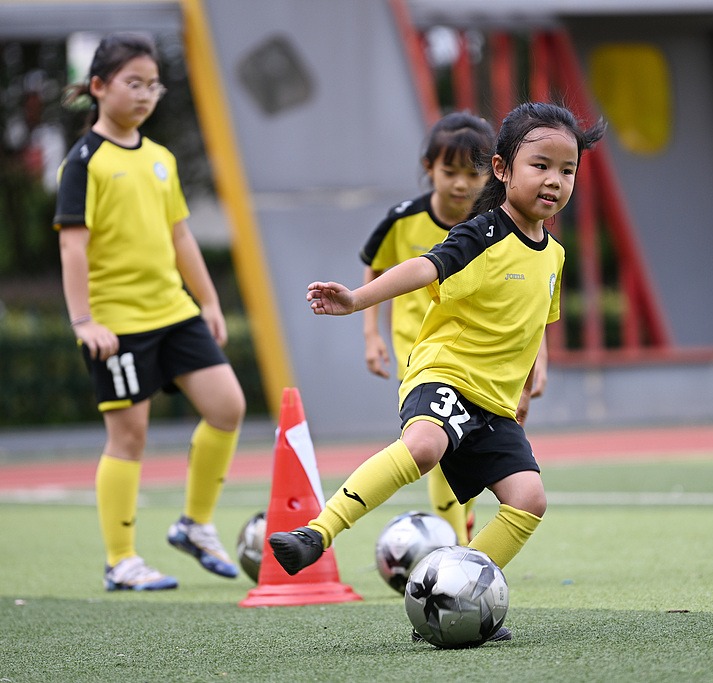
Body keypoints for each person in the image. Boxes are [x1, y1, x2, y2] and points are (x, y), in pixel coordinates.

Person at [270, 102, 605, 640]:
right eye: (540, 165)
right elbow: (423, 266)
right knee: (426, 446)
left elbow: (538, 318)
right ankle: (317, 532)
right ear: (502, 170)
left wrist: (530, 376)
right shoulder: (482, 234)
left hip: (494, 406)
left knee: (530, 500)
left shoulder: (555, 255)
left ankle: (452, 594)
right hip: (443, 374)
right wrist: (357, 301)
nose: (555, 180)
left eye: (568, 171)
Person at [53, 32, 245, 591]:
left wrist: (207, 301)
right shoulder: (83, 161)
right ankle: (121, 560)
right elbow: (72, 246)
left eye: (152, 84)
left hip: (174, 312)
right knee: (129, 437)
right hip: (118, 326)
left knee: (228, 407)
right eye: (132, 83)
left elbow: (181, 236)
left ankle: (194, 524)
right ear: (98, 87)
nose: (144, 94)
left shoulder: (160, 158)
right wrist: (84, 321)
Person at [360, 111, 500, 544]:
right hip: (418, 354)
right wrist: (371, 334)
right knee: (438, 445)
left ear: (493, 171)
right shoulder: (403, 220)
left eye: (472, 173)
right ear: (429, 169)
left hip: (478, 356)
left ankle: (460, 518)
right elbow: (376, 268)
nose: (460, 184)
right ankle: (457, 541)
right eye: (449, 171)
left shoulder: (500, 224)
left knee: (471, 445)